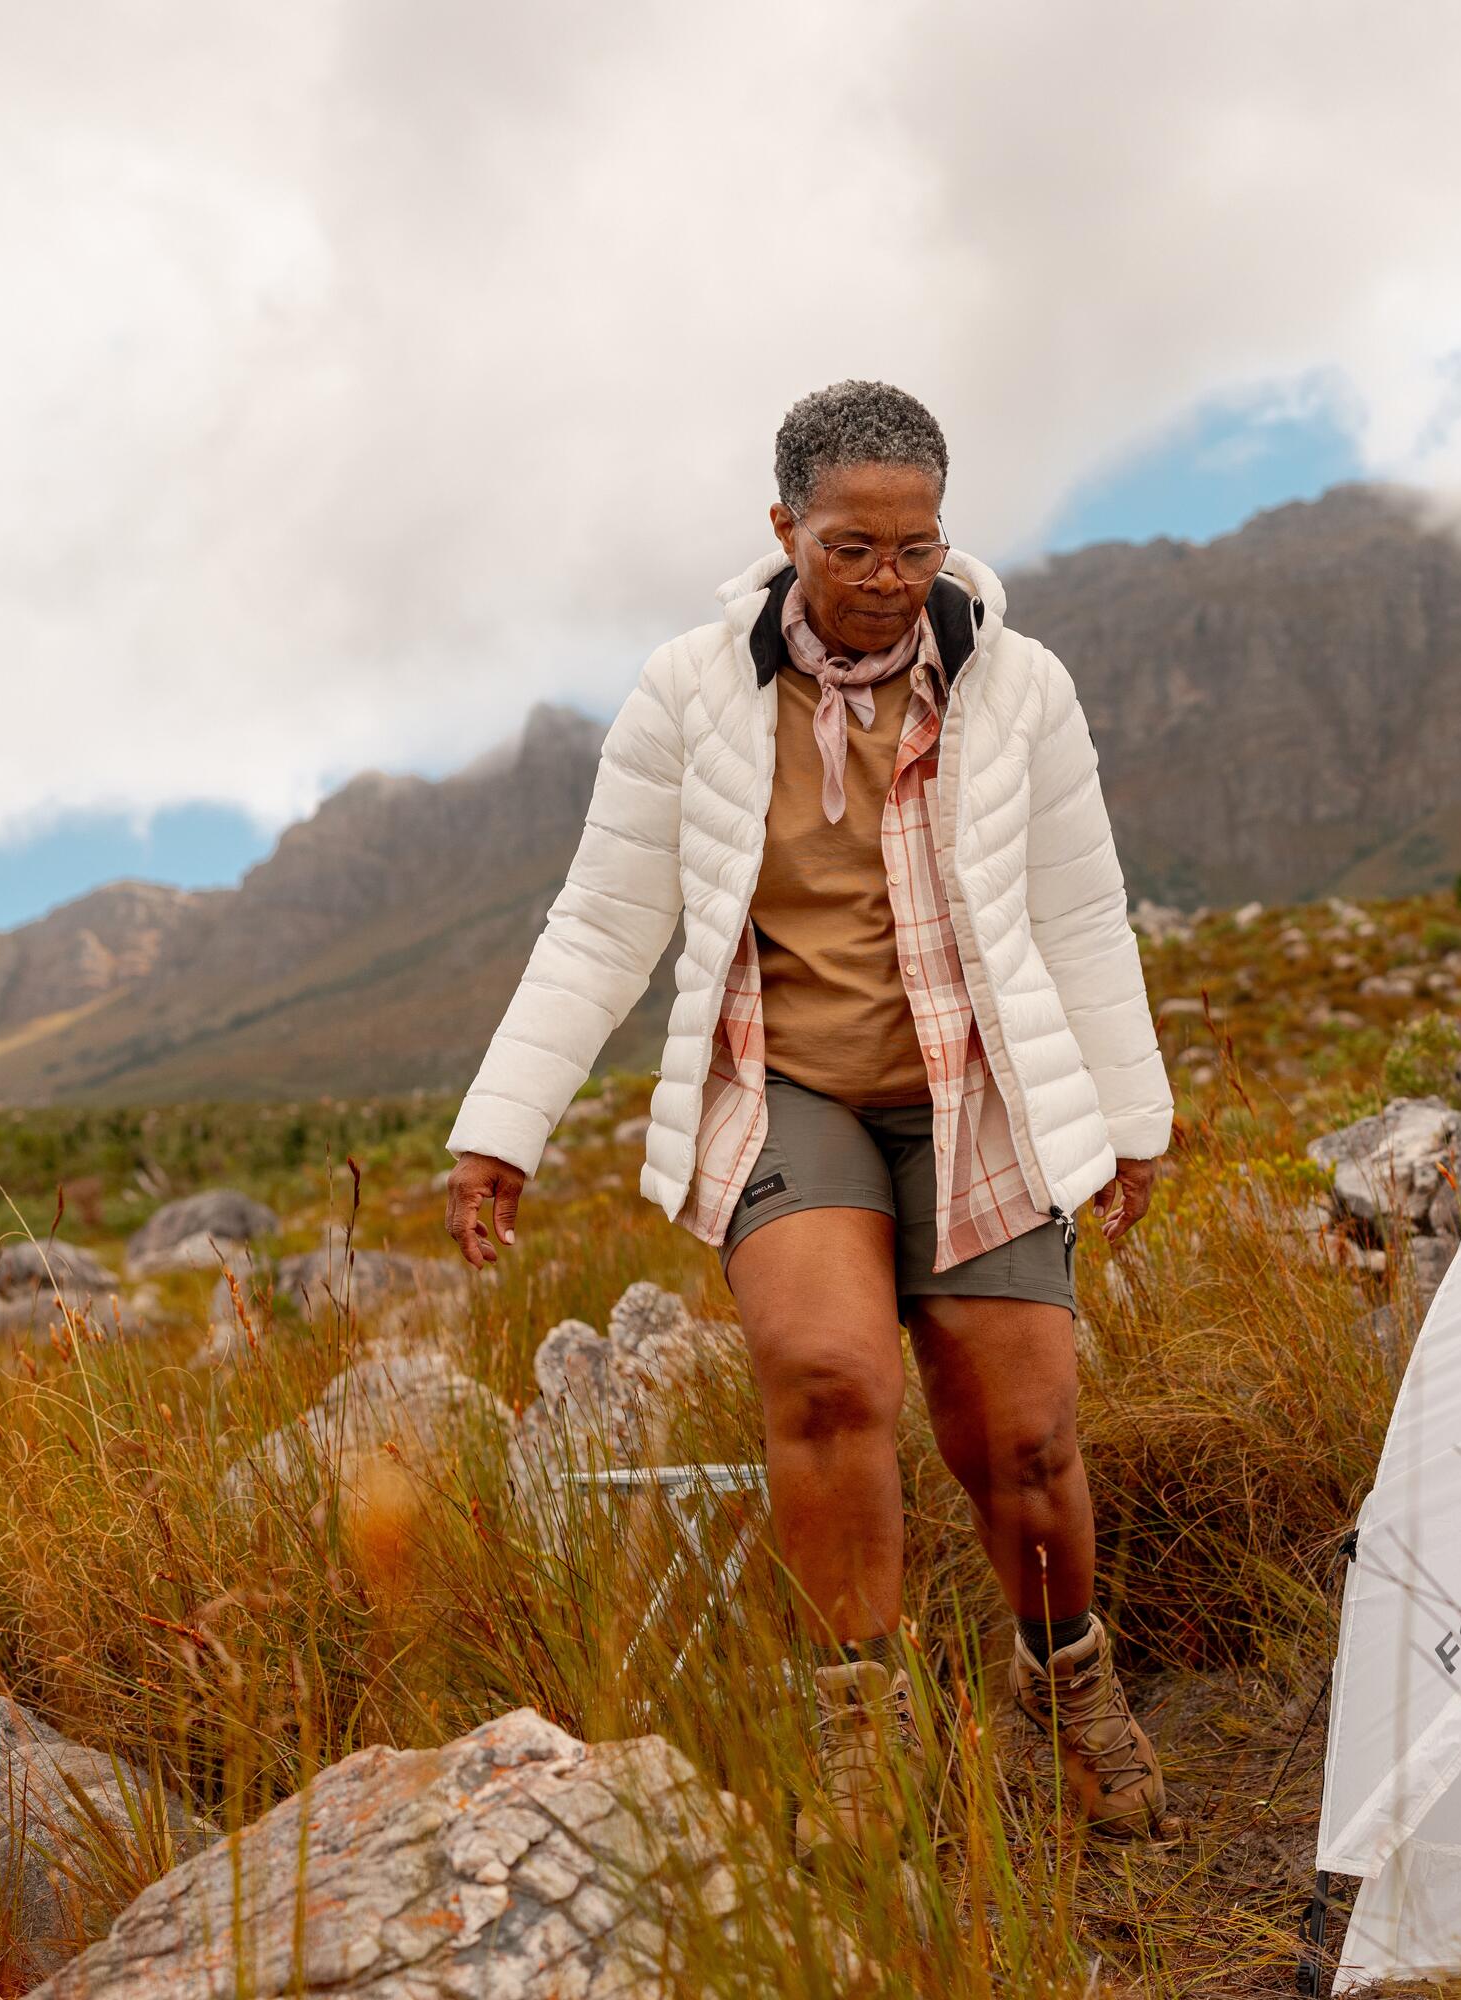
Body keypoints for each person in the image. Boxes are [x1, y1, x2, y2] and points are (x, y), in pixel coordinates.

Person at [441, 381, 1179, 1850]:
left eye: (916, 547)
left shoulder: (1018, 686)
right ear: (785, 529)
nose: (889, 578)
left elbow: (1084, 916)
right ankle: (858, 1730)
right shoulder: (691, 694)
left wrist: (1134, 1114)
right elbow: (600, 923)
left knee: (1021, 1443)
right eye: (854, 546)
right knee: (831, 1380)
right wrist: (499, 1128)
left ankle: (1069, 1693)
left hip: (982, 1094)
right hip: (791, 1087)